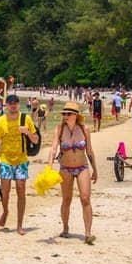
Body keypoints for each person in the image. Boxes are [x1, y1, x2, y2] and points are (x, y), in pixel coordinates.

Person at [0, 93, 37, 235]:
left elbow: (35, 140)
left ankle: (19, 224)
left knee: (21, 190)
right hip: (5, 160)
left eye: (15, 103)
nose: (12, 105)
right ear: (6, 105)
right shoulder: (0, 121)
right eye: (10, 103)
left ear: (18, 104)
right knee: (5, 191)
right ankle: (5, 211)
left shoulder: (26, 119)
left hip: (21, 160)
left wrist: (28, 132)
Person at [55, 101, 98, 244]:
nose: (66, 116)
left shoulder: (84, 129)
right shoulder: (60, 129)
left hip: (82, 167)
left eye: (69, 114)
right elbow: (54, 148)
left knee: (85, 198)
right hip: (65, 168)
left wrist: (95, 170)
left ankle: (88, 233)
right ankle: (65, 227)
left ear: (75, 115)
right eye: (64, 114)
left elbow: (90, 151)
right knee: (66, 199)